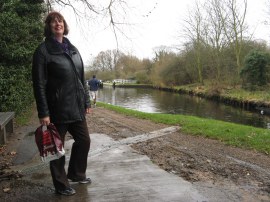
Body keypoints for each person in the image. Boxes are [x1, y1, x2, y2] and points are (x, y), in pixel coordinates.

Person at [32, 11, 92, 196]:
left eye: (60, 21)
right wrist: (44, 112)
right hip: (57, 109)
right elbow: (39, 84)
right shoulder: (43, 51)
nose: (58, 23)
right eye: (53, 21)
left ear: (64, 25)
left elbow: (81, 77)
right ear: (49, 27)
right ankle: (61, 185)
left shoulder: (73, 49)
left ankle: (76, 173)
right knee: (57, 149)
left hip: (76, 106)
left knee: (84, 141)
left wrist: (86, 100)